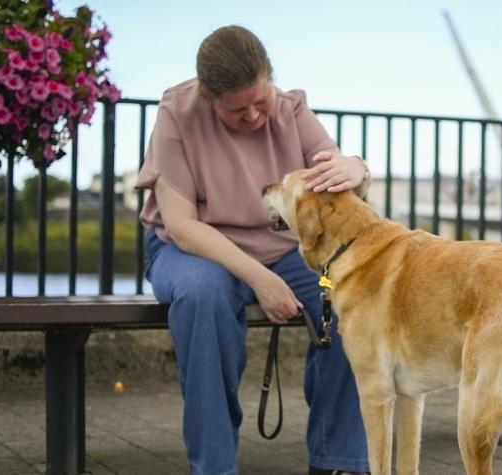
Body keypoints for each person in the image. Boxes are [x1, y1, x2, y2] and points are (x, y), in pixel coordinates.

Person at [135, 25, 371, 475]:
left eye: (260, 101)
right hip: (193, 251)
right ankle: (215, 467)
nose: (253, 116)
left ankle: (338, 461)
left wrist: (358, 169)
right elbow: (182, 226)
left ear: (270, 79)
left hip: (283, 250)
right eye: (236, 109)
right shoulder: (176, 113)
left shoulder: (292, 108)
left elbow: (338, 180)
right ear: (208, 97)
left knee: (347, 297)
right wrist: (261, 279)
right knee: (203, 297)